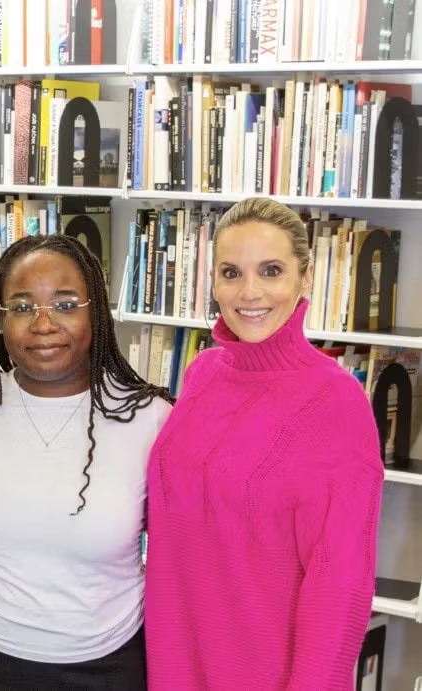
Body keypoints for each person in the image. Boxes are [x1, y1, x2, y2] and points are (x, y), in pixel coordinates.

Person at [145, 197, 384, 690]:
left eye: (271, 271)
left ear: (306, 277)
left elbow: (339, 581)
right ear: (212, 281)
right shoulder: (202, 373)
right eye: (231, 273)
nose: (249, 292)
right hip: (174, 661)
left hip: (264, 673)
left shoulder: (337, 401)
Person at [0, 233, 173, 690]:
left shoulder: (149, 419)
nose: (43, 324)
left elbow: (177, 560)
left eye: (65, 304)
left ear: (95, 312)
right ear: (0, 320)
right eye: (22, 307)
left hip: (104, 667)